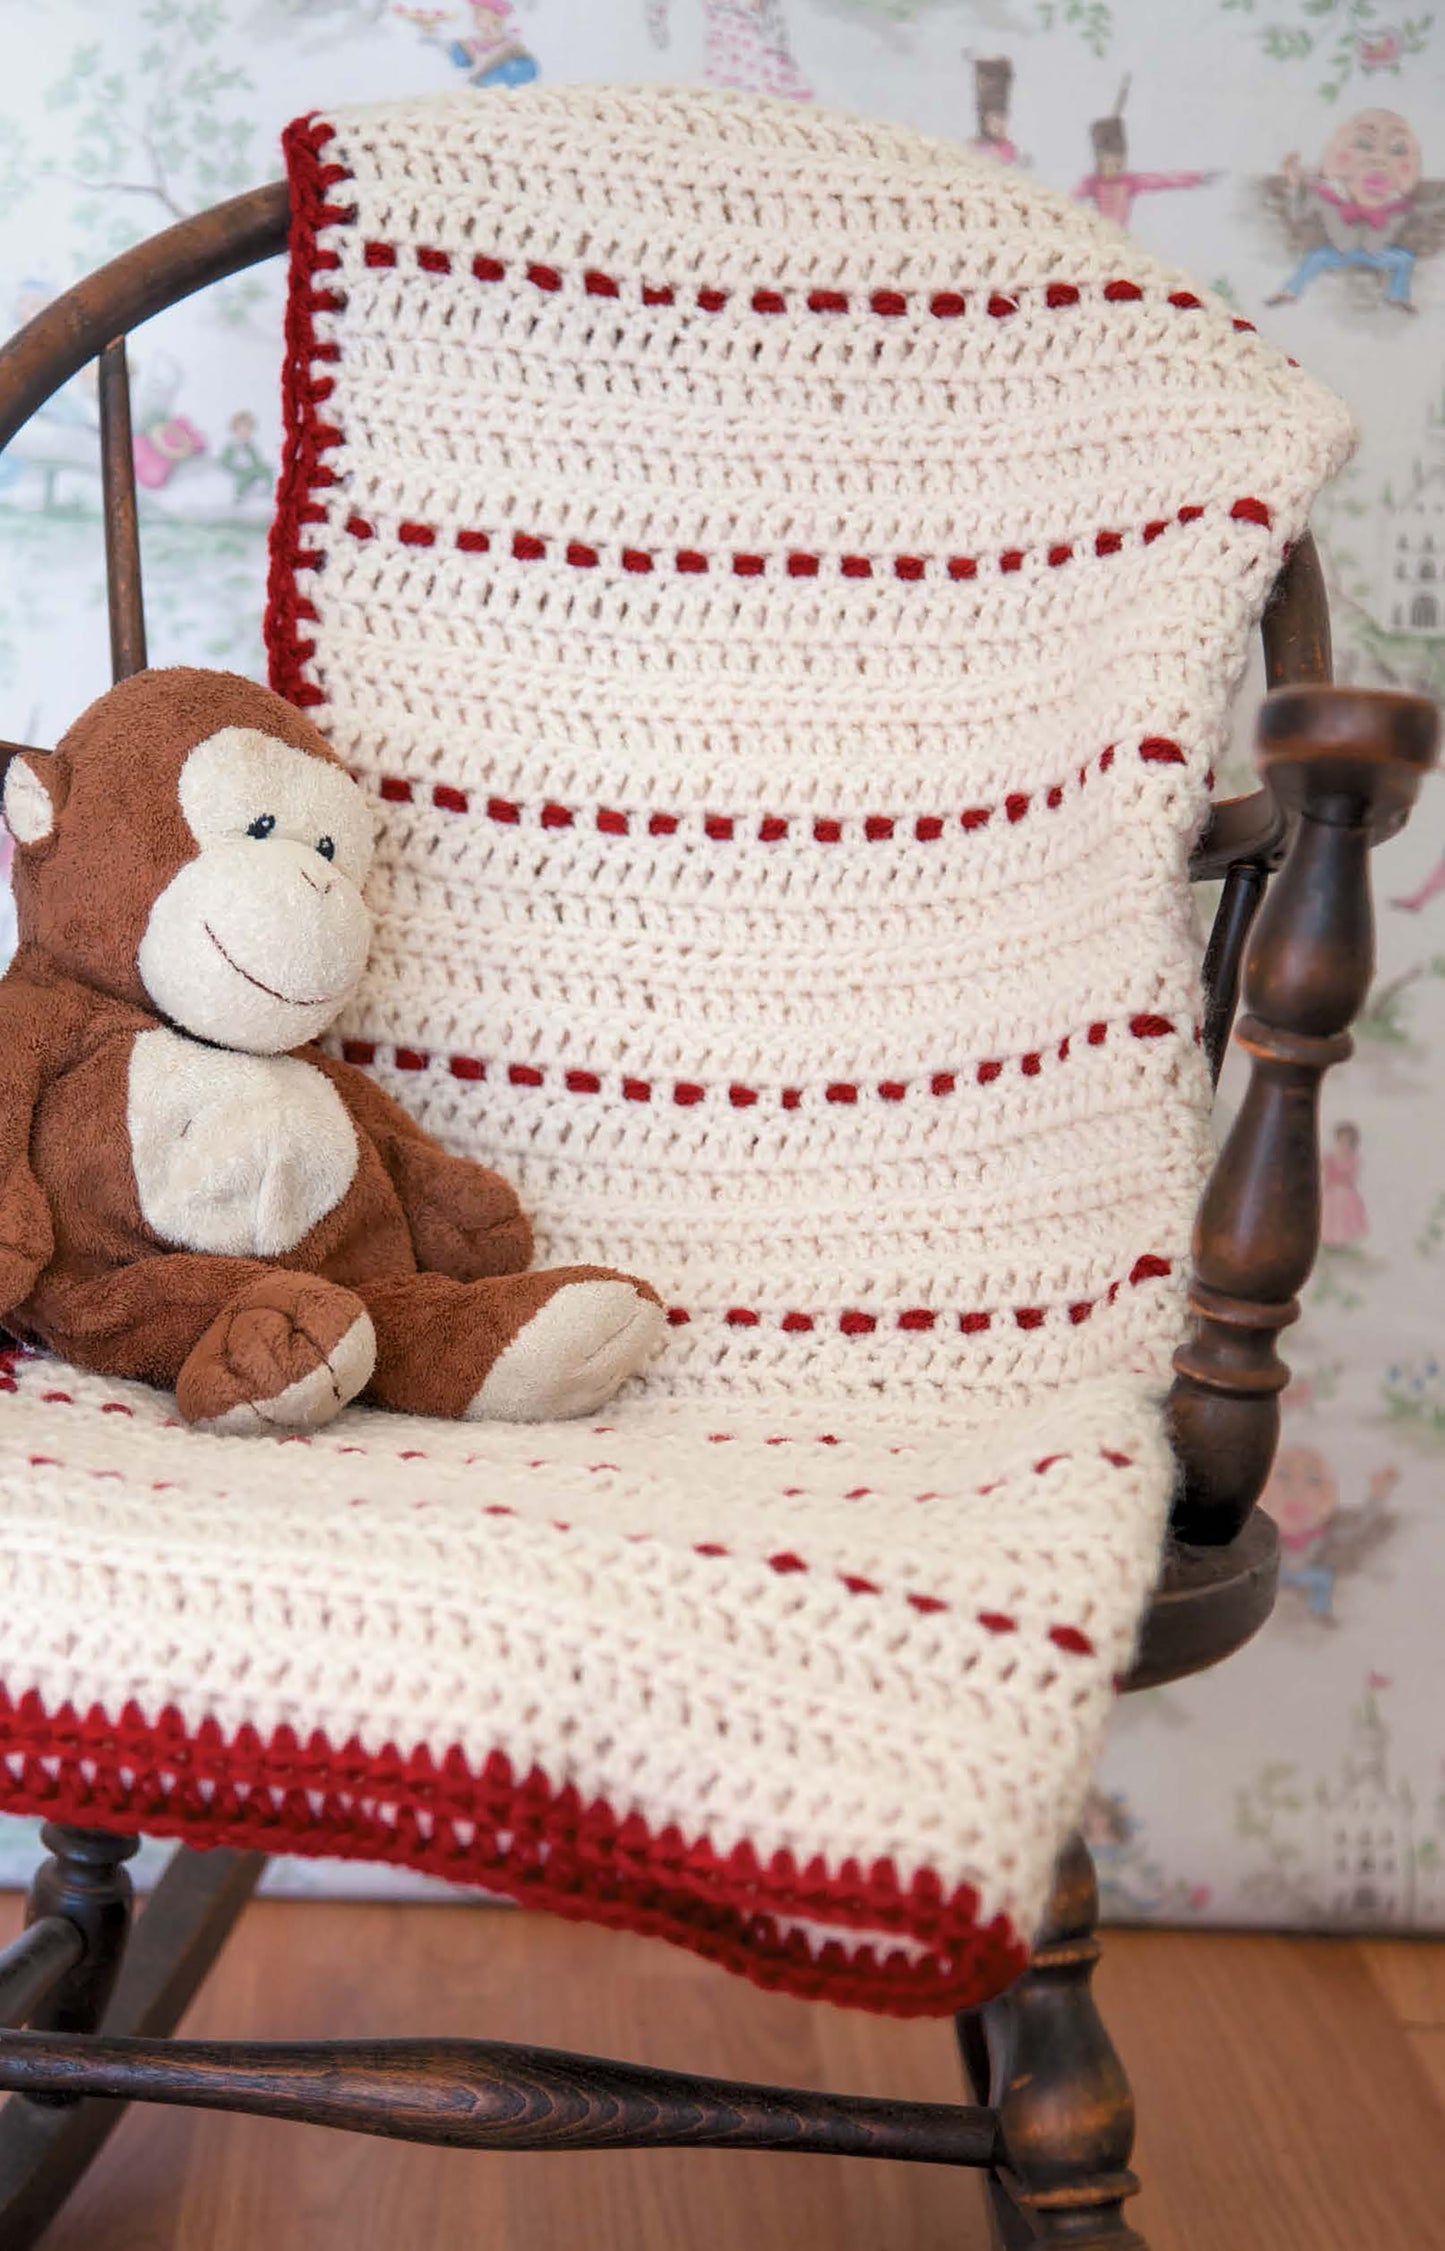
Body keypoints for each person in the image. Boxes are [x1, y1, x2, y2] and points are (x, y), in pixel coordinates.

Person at [1266, 109, 1421, 314]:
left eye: (1397, 149)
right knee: (1316, 258)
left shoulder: (1396, 208)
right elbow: (1298, 216)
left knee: (1405, 258)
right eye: (1364, 145)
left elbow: (1376, 244)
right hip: (1339, 252)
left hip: (1374, 253)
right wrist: (1295, 187)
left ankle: (1398, 296)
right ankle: (1289, 293)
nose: (1378, 160)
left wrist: (1375, 208)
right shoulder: (1325, 196)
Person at [1074, 78, 1219, 232]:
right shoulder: (1091, 182)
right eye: (1111, 163)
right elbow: (1072, 203)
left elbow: (1163, 180)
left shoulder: (1129, 182)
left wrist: (1196, 178)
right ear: (1100, 163)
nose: (1116, 168)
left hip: (1118, 237)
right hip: (1096, 233)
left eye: (1120, 163)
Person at [1321, 1121, 1368, 1249]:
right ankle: (1330, 1243)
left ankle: (1343, 1243)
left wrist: (1343, 1180)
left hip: (1346, 1190)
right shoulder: (1329, 1157)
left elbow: (1352, 1177)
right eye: (1341, 1139)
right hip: (1332, 1189)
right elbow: (1327, 1175)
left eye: (1347, 1140)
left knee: (1344, 1204)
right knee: (1330, 1208)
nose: (1343, 1142)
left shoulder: (1354, 1158)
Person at [969, 55, 1020, 167]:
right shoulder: (976, 146)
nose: (1000, 125)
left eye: (1001, 120)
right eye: (995, 121)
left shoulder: (1006, 149)